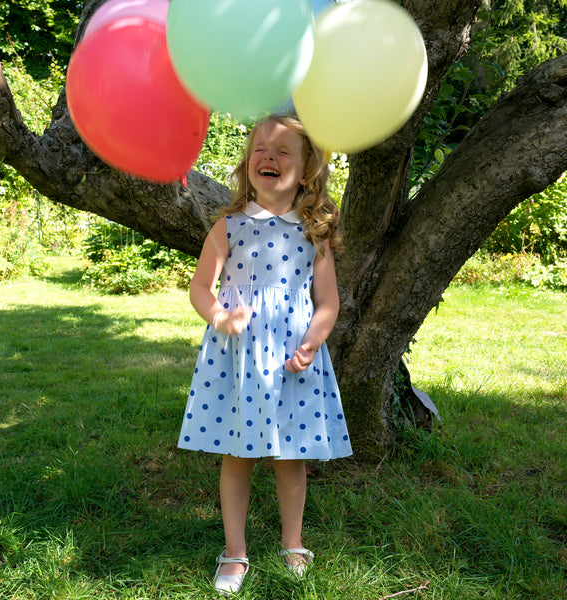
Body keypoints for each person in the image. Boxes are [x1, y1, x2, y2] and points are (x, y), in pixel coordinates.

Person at [178, 114, 352, 595]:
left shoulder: (312, 232)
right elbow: (199, 288)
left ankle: (292, 543)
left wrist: (313, 341)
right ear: (246, 162)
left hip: (291, 359)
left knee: (289, 457)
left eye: (282, 151)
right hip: (239, 357)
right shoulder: (228, 226)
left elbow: (328, 301)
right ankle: (234, 553)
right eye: (260, 149)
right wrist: (219, 317)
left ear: (306, 169)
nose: (268, 158)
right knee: (236, 456)